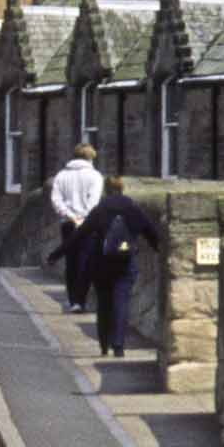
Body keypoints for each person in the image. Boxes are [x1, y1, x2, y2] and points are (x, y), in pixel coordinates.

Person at [74, 172, 161, 359]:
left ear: (105, 189)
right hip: (124, 263)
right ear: (122, 188)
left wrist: (57, 253)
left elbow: (80, 234)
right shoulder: (132, 207)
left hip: (101, 264)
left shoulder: (100, 209)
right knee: (121, 304)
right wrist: (161, 250)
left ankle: (104, 344)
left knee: (104, 304)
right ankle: (119, 346)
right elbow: (150, 232)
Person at [47, 141, 103, 310]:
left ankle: (73, 300)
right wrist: (82, 218)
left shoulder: (61, 176)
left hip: (68, 224)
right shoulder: (95, 176)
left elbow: (56, 200)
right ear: (90, 158)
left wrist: (70, 216)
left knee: (71, 262)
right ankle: (80, 300)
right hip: (87, 224)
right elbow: (93, 202)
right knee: (85, 262)